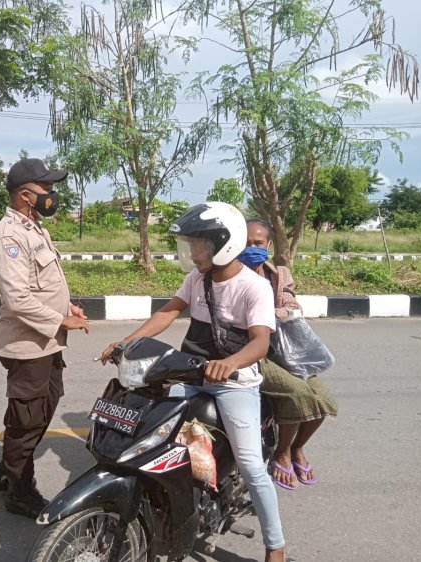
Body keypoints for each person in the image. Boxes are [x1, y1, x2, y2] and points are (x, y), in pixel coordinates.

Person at [100, 202, 287, 562]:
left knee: (250, 465)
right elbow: (168, 312)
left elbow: (261, 341)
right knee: (152, 428)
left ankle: (275, 544)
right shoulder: (196, 279)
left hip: (234, 381)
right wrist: (128, 342)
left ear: (222, 244)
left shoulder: (253, 287)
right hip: (191, 372)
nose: (192, 252)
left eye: (197, 245)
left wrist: (229, 363)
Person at [0, 157, 90, 518]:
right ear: (25, 195)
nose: (53, 194)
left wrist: (69, 307)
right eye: (47, 188)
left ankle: (6, 470)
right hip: (27, 344)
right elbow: (17, 299)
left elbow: (42, 284)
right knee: (25, 421)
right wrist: (59, 319)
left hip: (47, 341)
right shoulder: (8, 235)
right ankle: (19, 492)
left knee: (47, 403)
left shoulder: (34, 227)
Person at [238, 219, 337, 489]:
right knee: (300, 395)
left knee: (323, 401)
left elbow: (292, 304)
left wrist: (277, 312)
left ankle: (297, 448)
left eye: (258, 243)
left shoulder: (278, 274)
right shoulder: (230, 274)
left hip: (283, 353)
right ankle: (282, 451)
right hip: (252, 353)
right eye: (246, 243)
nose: (252, 248)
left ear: (268, 245)